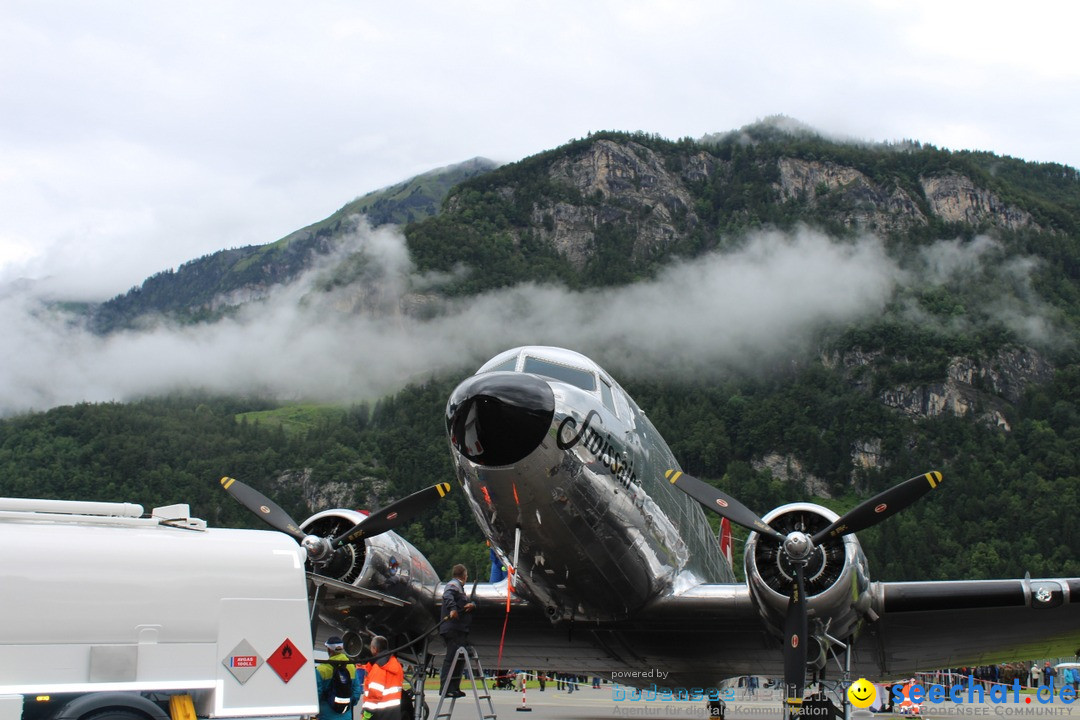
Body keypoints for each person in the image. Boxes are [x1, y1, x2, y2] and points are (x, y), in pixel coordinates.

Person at [439, 564, 476, 698]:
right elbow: (447, 595)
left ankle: (454, 687)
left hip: (459, 630)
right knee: (451, 659)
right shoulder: (454, 585)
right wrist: (453, 609)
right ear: (464, 576)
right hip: (453, 629)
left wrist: (472, 605)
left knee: (459, 659)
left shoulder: (460, 588)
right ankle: (446, 688)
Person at [316, 636, 363, 720]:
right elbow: (357, 691)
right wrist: (349, 703)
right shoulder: (351, 667)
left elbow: (317, 694)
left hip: (326, 716)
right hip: (346, 716)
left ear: (329, 649)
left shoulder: (321, 670)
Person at [361, 635, 404, 720]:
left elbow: (375, 693)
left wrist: (367, 713)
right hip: (394, 712)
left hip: (379, 714)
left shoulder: (379, 667)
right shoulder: (396, 664)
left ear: (374, 648)